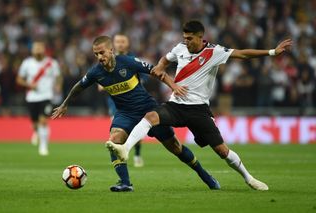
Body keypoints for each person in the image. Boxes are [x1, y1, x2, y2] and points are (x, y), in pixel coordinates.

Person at [106, 20, 293, 191]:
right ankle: (125, 149)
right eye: (184, 38)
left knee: (222, 151)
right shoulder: (180, 48)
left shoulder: (214, 52)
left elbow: (242, 54)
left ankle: (249, 178)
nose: (186, 42)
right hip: (176, 105)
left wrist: (272, 52)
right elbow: (166, 58)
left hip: (199, 110)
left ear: (200, 37)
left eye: (189, 38)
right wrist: (161, 67)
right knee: (150, 117)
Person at [52, 35, 220, 192]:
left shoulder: (128, 62)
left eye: (102, 52)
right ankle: (125, 183)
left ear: (111, 51)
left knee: (175, 147)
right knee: (114, 141)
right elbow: (78, 86)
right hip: (125, 114)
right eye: (96, 54)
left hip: (149, 111)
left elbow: (156, 71)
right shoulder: (96, 73)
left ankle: (204, 175)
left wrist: (173, 86)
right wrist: (65, 104)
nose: (99, 57)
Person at [16, 40, 62, 156]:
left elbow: (58, 77)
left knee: (43, 121)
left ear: (44, 50)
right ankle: (36, 132)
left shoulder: (52, 63)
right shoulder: (27, 63)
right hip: (32, 97)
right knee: (35, 123)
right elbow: (19, 79)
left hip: (46, 96)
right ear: (32, 50)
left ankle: (43, 146)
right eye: (35, 48)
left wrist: (58, 86)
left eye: (39, 48)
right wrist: (29, 85)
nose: (37, 50)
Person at [113, 33, 145, 167]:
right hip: (115, 102)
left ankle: (136, 154)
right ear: (113, 44)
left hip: (134, 101)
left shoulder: (134, 60)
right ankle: (120, 159)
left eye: (123, 41)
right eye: (117, 41)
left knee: (134, 130)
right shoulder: (108, 60)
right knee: (117, 132)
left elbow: (143, 78)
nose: (120, 44)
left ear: (128, 44)